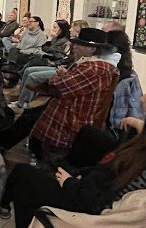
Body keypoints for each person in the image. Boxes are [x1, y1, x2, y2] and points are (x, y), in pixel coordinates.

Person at [0, 120, 146, 227]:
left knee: (23, 173)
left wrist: (69, 182)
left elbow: (91, 200)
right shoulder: (135, 161)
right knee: (90, 134)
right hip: (93, 187)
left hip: (87, 205)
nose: (142, 99)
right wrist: (139, 125)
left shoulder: (128, 171)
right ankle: (61, 167)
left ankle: (13, 211)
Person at [29, 28, 120, 163]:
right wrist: (64, 76)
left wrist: (59, 76)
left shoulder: (93, 69)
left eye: (79, 44)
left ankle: (43, 162)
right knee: (30, 114)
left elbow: (57, 87)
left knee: (31, 114)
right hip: (74, 110)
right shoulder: (98, 66)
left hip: (71, 120)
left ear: (92, 49)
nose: (74, 46)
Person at [8, 19, 71, 111]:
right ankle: (21, 99)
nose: (53, 29)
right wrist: (50, 41)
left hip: (54, 64)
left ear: (61, 29)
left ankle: (22, 103)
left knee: (32, 73)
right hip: (48, 60)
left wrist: (50, 44)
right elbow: (44, 48)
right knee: (28, 69)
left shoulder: (65, 41)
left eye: (55, 27)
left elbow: (57, 55)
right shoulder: (55, 38)